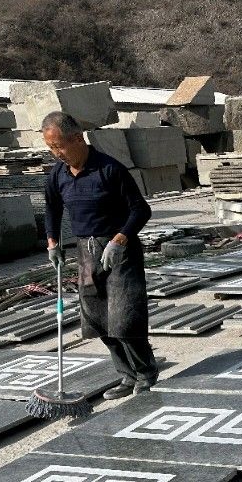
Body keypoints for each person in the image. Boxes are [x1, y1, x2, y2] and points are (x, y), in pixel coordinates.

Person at [43, 111, 157, 400]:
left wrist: (119, 240)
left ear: (77, 138)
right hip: (85, 251)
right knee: (97, 319)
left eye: (59, 146)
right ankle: (126, 375)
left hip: (119, 250)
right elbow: (52, 208)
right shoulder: (58, 174)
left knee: (124, 316)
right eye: (51, 148)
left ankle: (145, 372)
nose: (57, 154)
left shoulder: (109, 169)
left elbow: (141, 210)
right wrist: (53, 242)